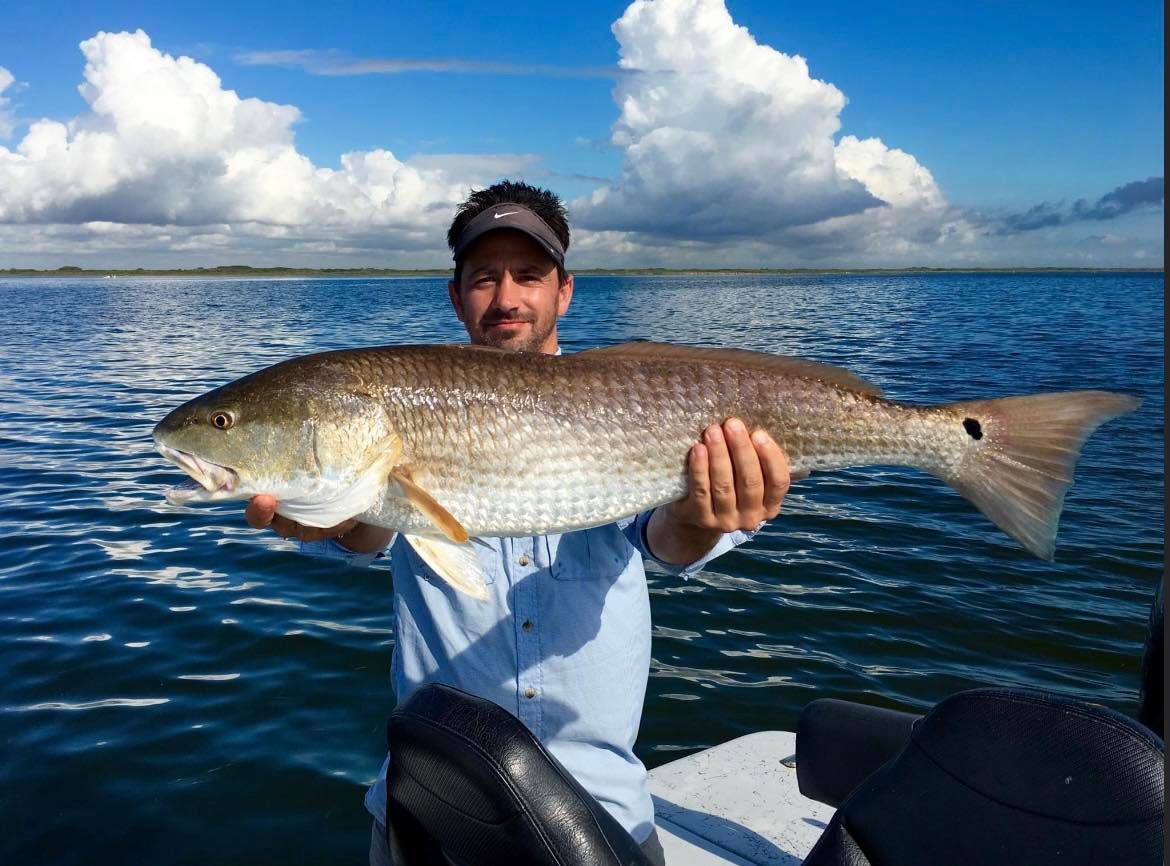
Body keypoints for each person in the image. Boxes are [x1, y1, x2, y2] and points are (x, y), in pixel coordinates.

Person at [244, 181, 791, 865]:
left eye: (528, 276)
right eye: (483, 279)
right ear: (455, 296)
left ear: (564, 291)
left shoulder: (634, 402)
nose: (506, 299)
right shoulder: (401, 404)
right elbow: (370, 530)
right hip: (432, 807)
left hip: (602, 808)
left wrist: (704, 516)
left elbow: (669, 543)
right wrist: (339, 516)